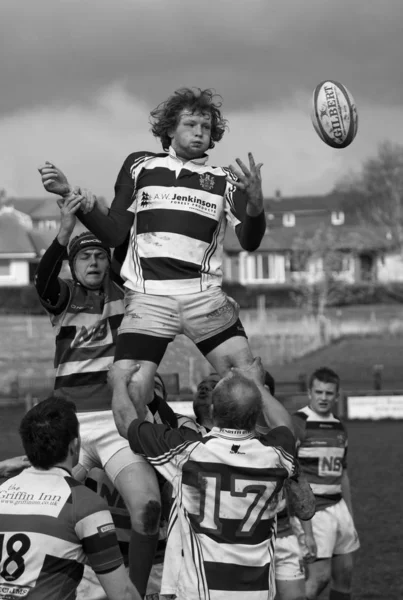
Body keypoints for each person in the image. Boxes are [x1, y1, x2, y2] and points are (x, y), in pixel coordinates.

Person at [38, 86, 268, 425]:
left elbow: (249, 241)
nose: (200, 132)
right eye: (191, 124)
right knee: (128, 386)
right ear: (170, 129)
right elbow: (115, 233)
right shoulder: (139, 166)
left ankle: (265, 462)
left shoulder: (226, 180)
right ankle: (157, 464)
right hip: (149, 299)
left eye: (206, 127)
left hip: (203, 297)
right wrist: (70, 194)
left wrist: (256, 204)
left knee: (249, 384)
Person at [33, 195, 177, 597]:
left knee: (148, 510)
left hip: (118, 424)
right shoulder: (61, 298)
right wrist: (65, 228)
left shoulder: (126, 293)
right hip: (70, 430)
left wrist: (96, 213)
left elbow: (125, 246)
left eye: (99, 255)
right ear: (73, 266)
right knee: (44, 512)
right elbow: (42, 277)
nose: (94, 262)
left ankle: (134, 593)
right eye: (84, 258)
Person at [107, 357, 312, 600]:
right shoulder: (275, 453)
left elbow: (127, 424)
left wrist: (119, 383)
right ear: (256, 412)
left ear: (214, 411)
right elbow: (283, 425)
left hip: (200, 592)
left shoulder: (188, 452)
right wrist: (256, 383)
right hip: (257, 593)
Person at [0, 396, 139, 600]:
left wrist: (2, 467)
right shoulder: (84, 503)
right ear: (75, 444)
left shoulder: (3, 490)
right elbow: (123, 594)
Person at [293, 367, 360, 600]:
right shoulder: (298, 423)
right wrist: (305, 524)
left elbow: (343, 473)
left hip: (338, 508)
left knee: (345, 574)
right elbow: (291, 475)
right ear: (309, 392)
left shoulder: (339, 426)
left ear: (337, 396)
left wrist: (349, 514)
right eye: (318, 392)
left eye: (329, 393)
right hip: (314, 511)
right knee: (319, 577)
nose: (323, 398)